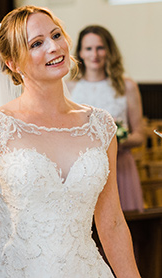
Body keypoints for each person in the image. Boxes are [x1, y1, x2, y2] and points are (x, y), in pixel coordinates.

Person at [0, 6, 159, 278]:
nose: (54, 47)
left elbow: (111, 222)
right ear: (12, 63)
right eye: (36, 43)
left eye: (56, 35)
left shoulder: (100, 126)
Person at [68, 25, 144, 212]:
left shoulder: (126, 86)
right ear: (80, 53)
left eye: (100, 48)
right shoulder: (69, 87)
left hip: (120, 168)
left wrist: (118, 139)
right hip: (81, 170)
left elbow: (140, 135)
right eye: (88, 48)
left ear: (109, 51)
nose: (95, 54)